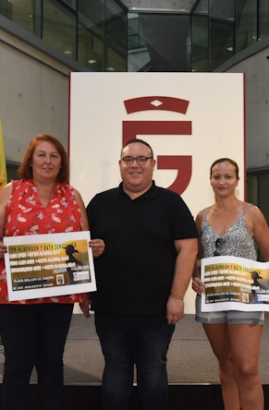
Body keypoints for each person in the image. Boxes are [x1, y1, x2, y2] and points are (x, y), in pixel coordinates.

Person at [0, 133, 105, 410]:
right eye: (42, 155)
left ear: (61, 163)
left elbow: (83, 244)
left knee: (51, 364)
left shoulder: (73, 195)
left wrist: (94, 248)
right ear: (31, 161)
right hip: (14, 298)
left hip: (57, 298)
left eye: (54, 156)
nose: (47, 161)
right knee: (18, 364)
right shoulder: (11, 191)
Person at [86, 138, 198, 410]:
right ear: (120, 164)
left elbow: (189, 249)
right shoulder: (100, 203)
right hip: (110, 307)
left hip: (158, 310)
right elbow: (80, 249)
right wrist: (85, 290)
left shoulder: (172, 203)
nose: (135, 165)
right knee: (115, 369)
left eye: (141, 159)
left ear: (153, 164)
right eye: (128, 159)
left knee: (153, 371)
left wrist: (177, 296)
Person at [191, 158, 269, 410]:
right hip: (212, 298)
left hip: (248, 297)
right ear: (210, 179)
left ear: (237, 180)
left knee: (247, 367)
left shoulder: (252, 213)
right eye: (217, 176)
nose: (222, 182)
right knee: (225, 362)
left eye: (228, 177)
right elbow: (197, 258)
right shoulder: (201, 217)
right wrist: (194, 277)